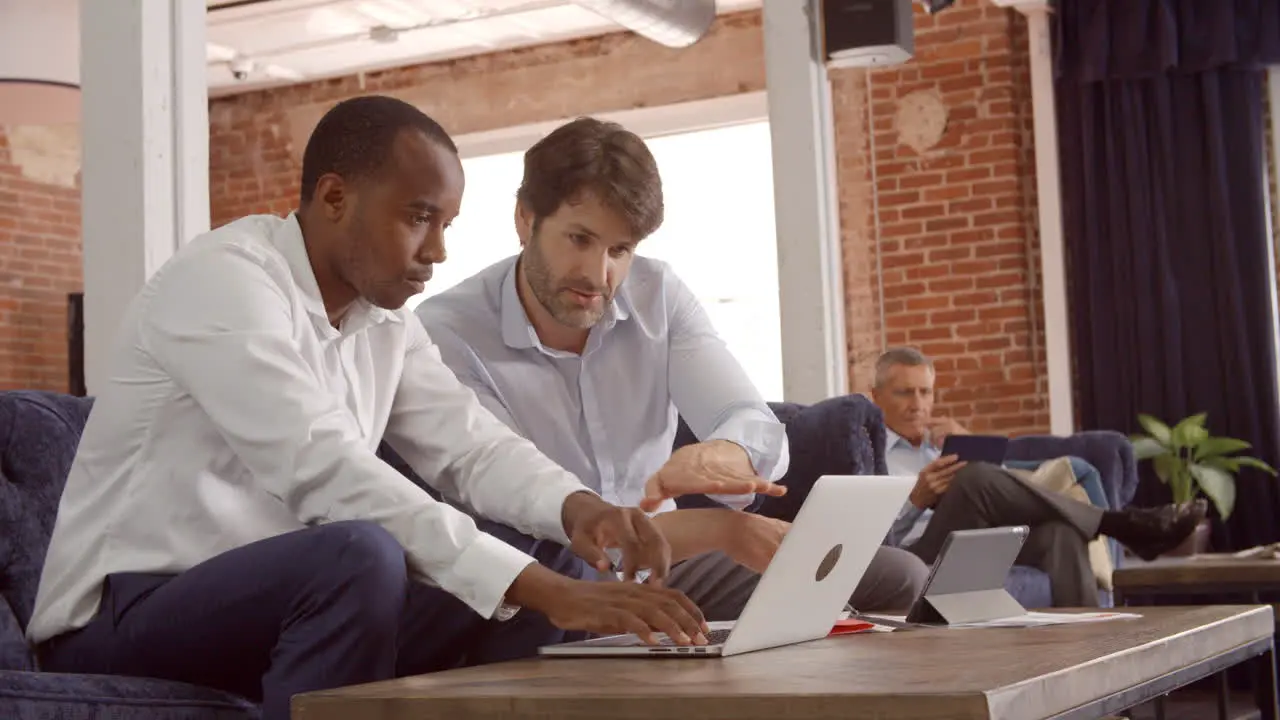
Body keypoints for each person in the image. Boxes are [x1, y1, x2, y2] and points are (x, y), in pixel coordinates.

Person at [26, 97, 772, 720]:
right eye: (419, 217)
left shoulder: (382, 318)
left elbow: (469, 446)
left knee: (539, 553)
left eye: (447, 223)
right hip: (123, 614)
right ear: (333, 197)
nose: (439, 251)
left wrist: (580, 512)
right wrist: (549, 591)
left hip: (281, 604)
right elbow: (324, 470)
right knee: (368, 555)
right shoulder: (223, 282)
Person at [416, 116, 930, 620]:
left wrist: (723, 453)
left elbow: (750, 420)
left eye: (620, 249)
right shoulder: (449, 331)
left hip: (668, 561)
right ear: (526, 219)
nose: (599, 275)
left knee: (898, 577)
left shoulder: (657, 294)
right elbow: (515, 498)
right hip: (556, 570)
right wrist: (721, 530)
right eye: (579, 239)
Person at [870, 347, 1207, 606]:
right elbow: (870, 544)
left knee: (1060, 534)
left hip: (978, 542)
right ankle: (1120, 524)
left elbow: (1001, 499)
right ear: (876, 396)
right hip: (917, 556)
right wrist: (916, 500)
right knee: (972, 479)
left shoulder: (943, 445)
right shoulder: (868, 452)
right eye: (904, 393)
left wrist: (971, 444)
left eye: (925, 392)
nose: (918, 404)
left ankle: (1090, 654)